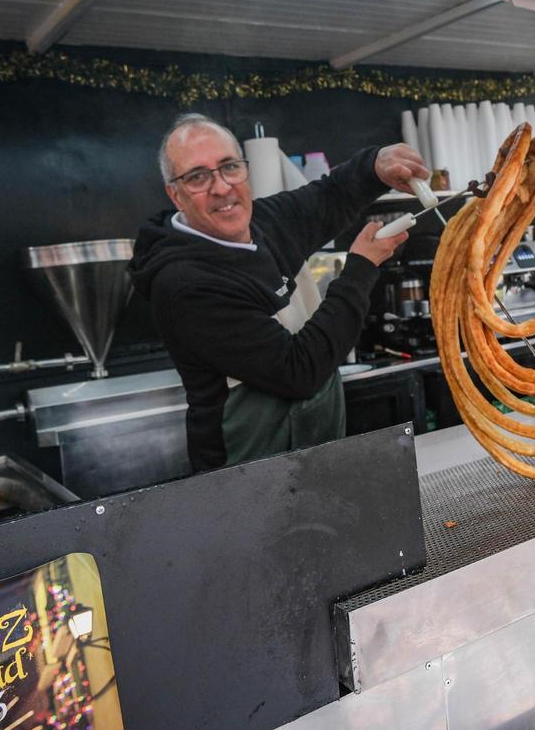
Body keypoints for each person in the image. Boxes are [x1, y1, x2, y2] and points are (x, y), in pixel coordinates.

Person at [129, 113, 425, 473]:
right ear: (175, 194)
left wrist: (374, 166)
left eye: (229, 167)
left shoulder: (267, 223)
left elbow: (328, 197)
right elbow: (298, 372)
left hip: (318, 458)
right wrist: (361, 269)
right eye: (197, 177)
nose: (221, 187)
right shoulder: (184, 285)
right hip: (248, 480)